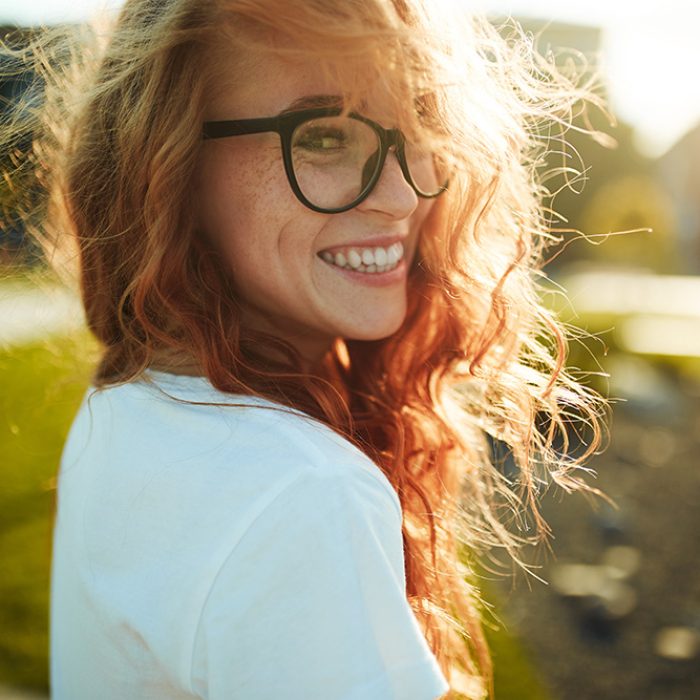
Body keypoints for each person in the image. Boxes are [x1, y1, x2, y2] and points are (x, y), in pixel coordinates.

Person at [1, 0, 611, 698]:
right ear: (163, 165)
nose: (401, 195)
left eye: (420, 128)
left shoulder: (134, 407)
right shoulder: (301, 492)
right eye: (324, 136)